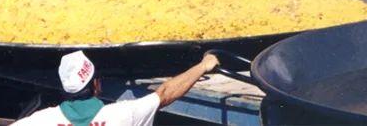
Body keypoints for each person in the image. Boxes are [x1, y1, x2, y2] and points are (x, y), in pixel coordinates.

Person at [12, 49, 219, 126]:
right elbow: (165, 93)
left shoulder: (40, 121)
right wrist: (204, 65)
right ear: (96, 84)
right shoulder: (124, 115)